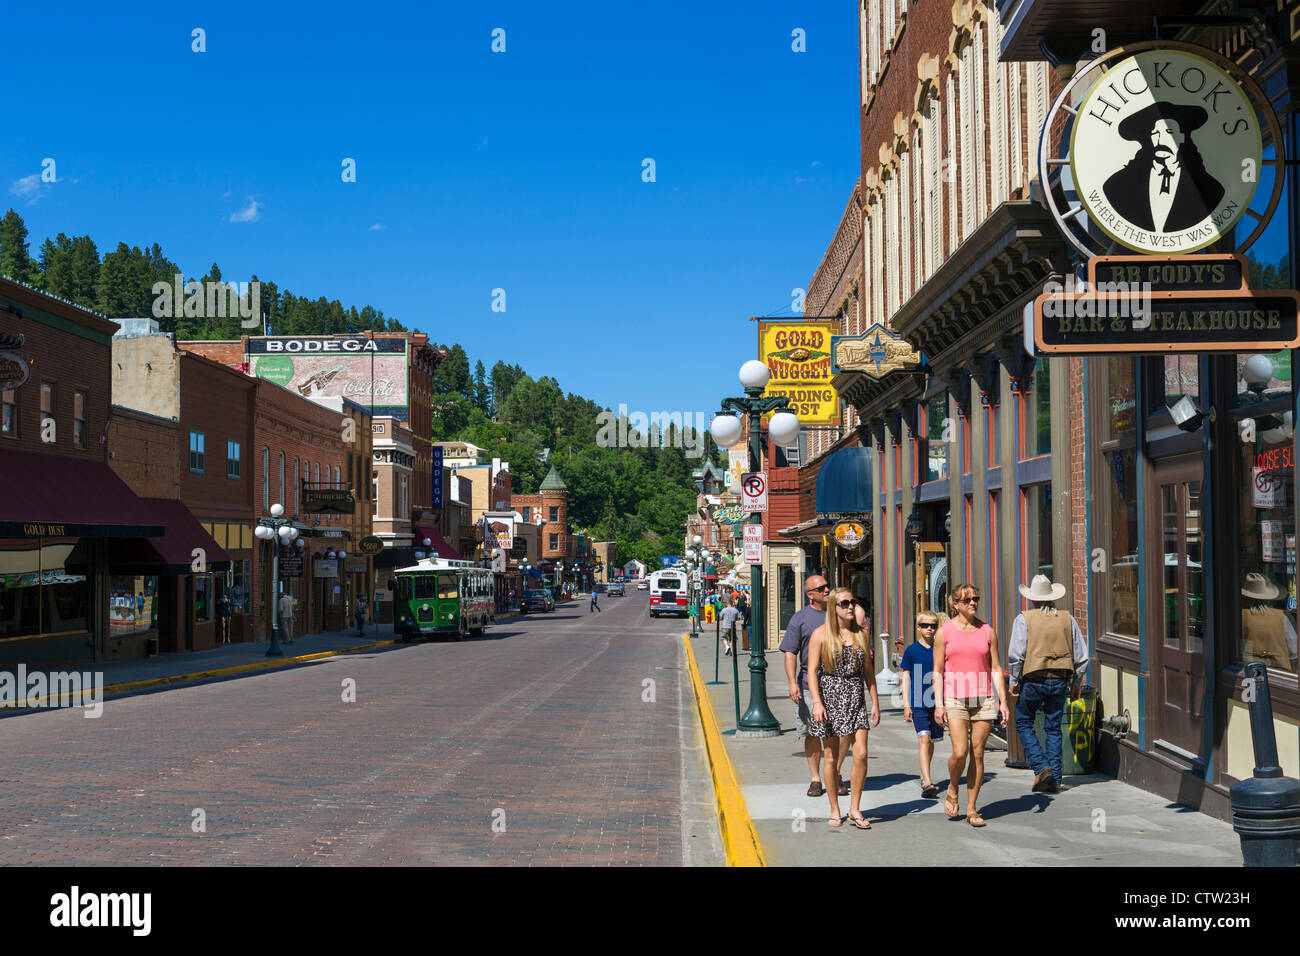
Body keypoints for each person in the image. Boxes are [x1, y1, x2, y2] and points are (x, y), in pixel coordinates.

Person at [934, 583, 1009, 828]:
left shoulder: (988, 631)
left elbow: (996, 667)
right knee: (960, 752)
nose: (972, 603)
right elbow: (937, 671)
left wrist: (1003, 701)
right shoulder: (944, 632)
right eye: (966, 600)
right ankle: (953, 787)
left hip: (984, 698)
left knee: (978, 753)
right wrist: (938, 704)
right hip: (955, 697)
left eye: (975, 598)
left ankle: (972, 808)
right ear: (955, 604)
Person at [1007, 574, 1090, 794]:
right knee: (1053, 728)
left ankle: (1041, 767)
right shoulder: (1067, 618)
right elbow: (1082, 657)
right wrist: (1076, 683)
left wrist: (1014, 681)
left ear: (1033, 599)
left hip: (1034, 679)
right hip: (1060, 680)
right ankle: (1055, 779)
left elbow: (1017, 655)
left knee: (1024, 722)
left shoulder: (1024, 619)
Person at [806, 587, 881, 828]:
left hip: (855, 695)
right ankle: (835, 810)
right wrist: (817, 702)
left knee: (861, 754)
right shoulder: (820, 635)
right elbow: (811, 672)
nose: (850, 607)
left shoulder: (861, 634)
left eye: (853, 602)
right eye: (845, 603)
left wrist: (875, 702)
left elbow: (868, 671)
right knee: (831, 757)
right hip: (830, 697)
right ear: (834, 608)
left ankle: (855, 809)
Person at [1102, 103, 1224, 233]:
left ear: (1182, 138)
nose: (1160, 140)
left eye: (1169, 131)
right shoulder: (1116, 186)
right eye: (1155, 133)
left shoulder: (1212, 190)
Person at [779, 576, 849, 798]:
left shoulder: (839, 613)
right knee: (812, 731)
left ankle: (835, 774)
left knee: (839, 731)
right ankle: (816, 778)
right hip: (809, 684)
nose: (827, 589)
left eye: (827, 586)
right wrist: (792, 682)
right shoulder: (800, 619)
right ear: (810, 594)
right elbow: (790, 652)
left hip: (839, 682)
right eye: (821, 588)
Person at [900, 611, 942, 798]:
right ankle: (927, 781)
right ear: (918, 627)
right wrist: (906, 704)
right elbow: (906, 676)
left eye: (933, 625)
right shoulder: (911, 651)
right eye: (925, 625)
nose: (929, 629)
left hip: (938, 701)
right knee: (924, 739)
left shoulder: (941, 649)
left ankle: (925, 772)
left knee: (931, 740)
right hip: (918, 701)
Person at [1240, 572, 1299, 674]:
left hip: (1251, 671)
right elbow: (1294, 651)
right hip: (1280, 672)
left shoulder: (1241, 616)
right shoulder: (1283, 616)